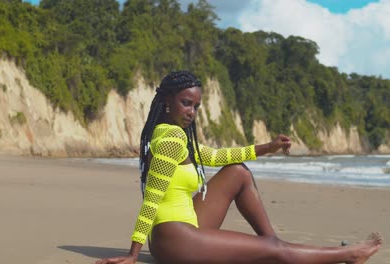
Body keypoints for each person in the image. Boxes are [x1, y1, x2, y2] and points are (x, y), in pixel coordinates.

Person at [96, 71, 383, 264]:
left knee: (237, 171)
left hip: (185, 226)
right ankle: (349, 253)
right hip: (173, 240)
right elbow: (152, 199)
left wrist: (267, 147)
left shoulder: (172, 134)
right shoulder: (171, 138)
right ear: (166, 102)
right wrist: (133, 254)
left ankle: (273, 244)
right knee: (273, 251)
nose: (191, 113)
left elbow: (218, 156)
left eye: (196, 106)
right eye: (186, 104)